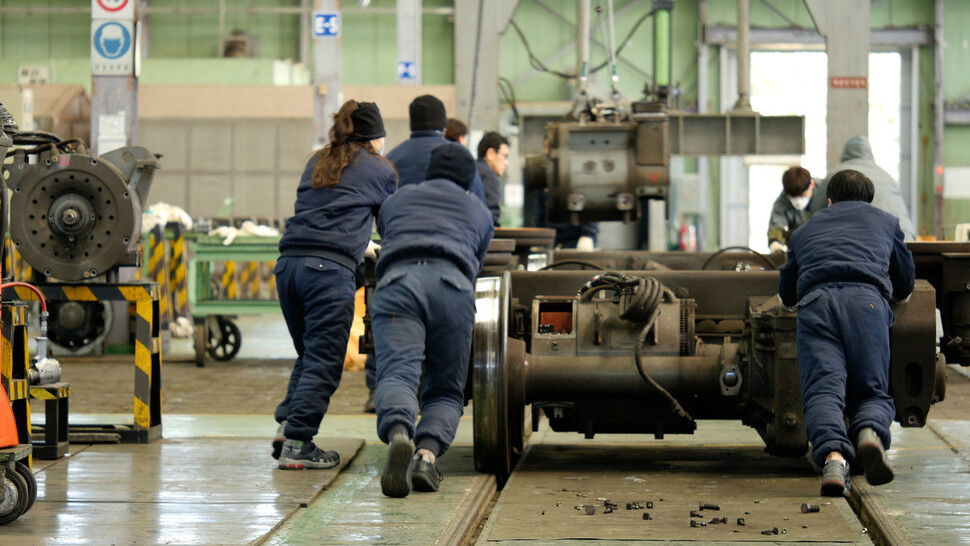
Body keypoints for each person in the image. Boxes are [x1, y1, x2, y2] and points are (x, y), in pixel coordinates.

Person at [272, 100, 397, 469]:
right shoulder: (379, 168)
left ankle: (286, 426)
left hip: (289, 267)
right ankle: (298, 445)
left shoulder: (317, 160)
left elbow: (325, 211)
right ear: (376, 137)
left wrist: (360, 242)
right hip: (327, 272)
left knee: (310, 355)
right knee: (324, 361)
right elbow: (390, 224)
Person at [778, 169, 915, 496]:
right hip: (867, 306)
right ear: (869, 199)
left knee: (823, 389)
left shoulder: (803, 230)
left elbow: (787, 291)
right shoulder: (886, 222)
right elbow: (905, 278)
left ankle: (835, 462)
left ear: (828, 200)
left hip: (818, 306)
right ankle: (868, 433)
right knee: (871, 388)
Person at [372, 142, 494, 498]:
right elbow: (478, 261)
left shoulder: (398, 199)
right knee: (444, 388)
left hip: (398, 284)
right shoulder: (479, 210)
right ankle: (426, 457)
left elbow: (387, 233)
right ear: (467, 176)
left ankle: (399, 433)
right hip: (452, 287)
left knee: (397, 373)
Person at [809, 136, 916, 240]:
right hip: (902, 236)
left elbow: (815, 214)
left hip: (852, 242)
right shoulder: (886, 177)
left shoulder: (833, 175)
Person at [767, 166, 814, 253]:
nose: (798, 201)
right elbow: (776, 229)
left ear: (812, 184)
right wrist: (776, 247)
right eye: (793, 197)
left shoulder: (825, 192)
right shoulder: (781, 203)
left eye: (802, 196)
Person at [476, 131, 509, 226]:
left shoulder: (472, 170)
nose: (507, 163)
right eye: (505, 156)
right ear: (490, 154)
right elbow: (491, 216)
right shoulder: (488, 175)